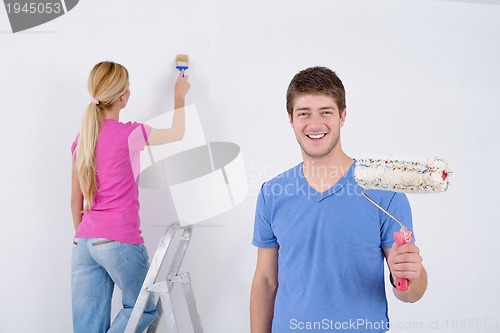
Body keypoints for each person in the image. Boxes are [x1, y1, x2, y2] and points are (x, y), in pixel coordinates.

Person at [250, 67, 427, 333]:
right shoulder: (272, 193)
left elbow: (410, 293)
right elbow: (265, 281)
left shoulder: (383, 193)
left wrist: (407, 275)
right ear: (291, 119)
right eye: (304, 113)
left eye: (326, 112)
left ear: (343, 116)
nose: (315, 123)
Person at [70, 61, 190, 332]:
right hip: (119, 239)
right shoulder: (129, 134)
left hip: (83, 243)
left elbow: (75, 201)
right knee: (142, 309)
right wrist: (179, 95)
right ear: (123, 97)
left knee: (88, 326)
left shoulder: (83, 139)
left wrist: (89, 238)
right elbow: (177, 133)